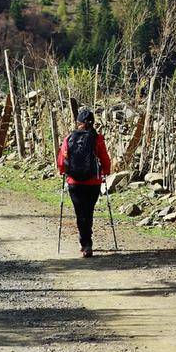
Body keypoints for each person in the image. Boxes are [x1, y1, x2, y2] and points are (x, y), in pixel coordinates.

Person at [57, 107, 111, 258]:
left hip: (74, 181)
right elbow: (105, 158)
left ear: (78, 123)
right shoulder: (97, 139)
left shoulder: (69, 138)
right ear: (93, 123)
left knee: (80, 212)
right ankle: (87, 242)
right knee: (88, 211)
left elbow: (61, 160)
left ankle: (85, 242)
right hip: (93, 181)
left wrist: (63, 171)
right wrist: (105, 172)